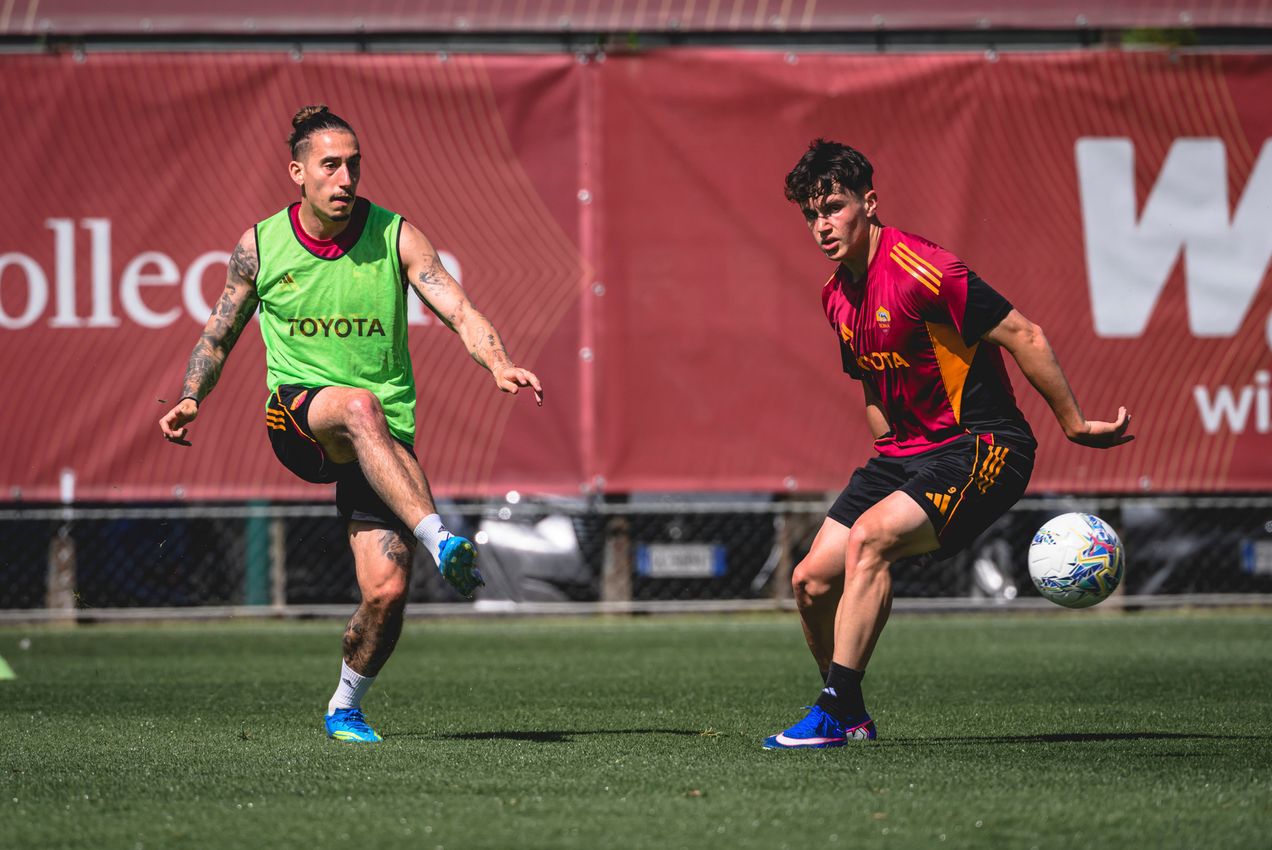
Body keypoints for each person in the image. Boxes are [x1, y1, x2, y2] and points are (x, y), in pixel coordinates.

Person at [159, 105, 543, 744]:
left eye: (353, 165)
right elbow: (218, 334)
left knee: (387, 593)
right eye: (330, 165)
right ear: (298, 172)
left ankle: (344, 705)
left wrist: (499, 363)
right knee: (358, 404)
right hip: (299, 418)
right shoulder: (260, 246)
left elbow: (460, 309)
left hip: (380, 442)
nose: (345, 178)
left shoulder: (396, 236)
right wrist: (191, 395)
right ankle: (441, 537)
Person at [764, 139, 1133, 749]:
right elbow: (870, 381)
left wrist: (1074, 423)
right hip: (905, 456)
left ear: (870, 202)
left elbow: (1025, 334)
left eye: (832, 207)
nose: (822, 225)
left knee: (871, 539)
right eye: (810, 215)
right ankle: (849, 711)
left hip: (984, 445)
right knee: (808, 582)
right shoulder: (836, 297)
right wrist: (888, 448)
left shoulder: (925, 269)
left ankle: (832, 710)